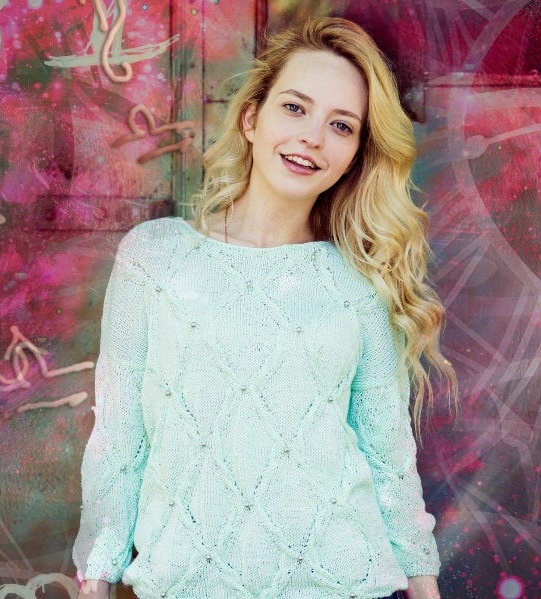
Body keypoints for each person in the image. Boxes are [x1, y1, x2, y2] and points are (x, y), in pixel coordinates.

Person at [72, 16, 459, 599]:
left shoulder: (359, 284)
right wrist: (96, 575)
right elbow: (119, 441)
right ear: (253, 119)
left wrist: (425, 587)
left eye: (341, 126)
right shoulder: (154, 259)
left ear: (354, 154)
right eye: (295, 109)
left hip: (343, 585)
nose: (312, 138)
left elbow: (387, 456)